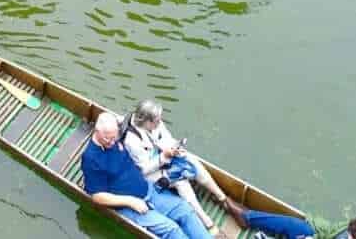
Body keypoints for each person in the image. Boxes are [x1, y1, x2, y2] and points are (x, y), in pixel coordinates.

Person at [123, 99, 247, 235]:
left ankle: (224, 200)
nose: (160, 122)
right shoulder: (132, 140)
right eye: (156, 121)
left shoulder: (155, 123)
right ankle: (207, 222)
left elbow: (166, 138)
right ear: (146, 121)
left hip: (163, 157)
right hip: (148, 174)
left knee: (191, 161)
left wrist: (175, 148)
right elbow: (144, 168)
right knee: (179, 179)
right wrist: (163, 157)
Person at [82, 111, 212, 239]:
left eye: (114, 137)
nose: (112, 142)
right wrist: (131, 202)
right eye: (107, 138)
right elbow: (97, 196)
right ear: (96, 131)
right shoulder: (91, 158)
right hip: (128, 206)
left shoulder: (116, 135)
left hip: (148, 189)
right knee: (171, 230)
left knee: (185, 210)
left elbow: (132, 116)